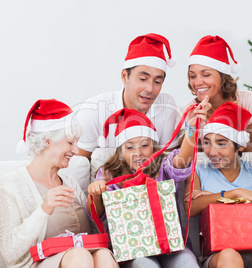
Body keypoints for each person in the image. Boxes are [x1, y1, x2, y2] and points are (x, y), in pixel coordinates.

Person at [86, 97, 211, 268]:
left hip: (172, 247)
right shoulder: (108, 174)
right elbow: (97, 215)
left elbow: (182, 160)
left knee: (188, 263)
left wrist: (191, 127)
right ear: (121, 151)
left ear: (153, 145)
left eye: (144, 145)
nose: (138, 152)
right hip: (133, 251)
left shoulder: (164, 167)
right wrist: (95, 194)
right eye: (130, 147)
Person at [0, 99, 118, 268]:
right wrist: (44, 209)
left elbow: (93, 232)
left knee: (104, 254)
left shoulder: (70, 182)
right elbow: (8, 251)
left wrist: (97, 199)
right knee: (79, 256)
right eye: (71, 142)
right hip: (37, 263)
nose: (76, 151)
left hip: (81, 256)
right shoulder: (10, 184)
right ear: (47, 140)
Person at [183, 102, 252, 268]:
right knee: (229, 256)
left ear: (239, 145)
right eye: (206, 143)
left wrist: (214, 199)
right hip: (219, 254)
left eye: (221, 143)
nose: (212, 152)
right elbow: (190, 207)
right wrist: (234, 194)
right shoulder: (198, 170)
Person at [76, 33, 181, 160]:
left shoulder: (167, 106)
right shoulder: (94, 110)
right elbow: (78, 166)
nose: (150, 89)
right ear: (124, 76)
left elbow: (170, 164)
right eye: (143, 79)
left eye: (157, 82)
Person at [181, 35, 252, 152]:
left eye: (206, 75)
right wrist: (194, 127)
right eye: (192, 76)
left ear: (223, 76)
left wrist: (238, 123)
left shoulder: (249, 101)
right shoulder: (189, 111)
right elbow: (186, 161)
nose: (197, 82)